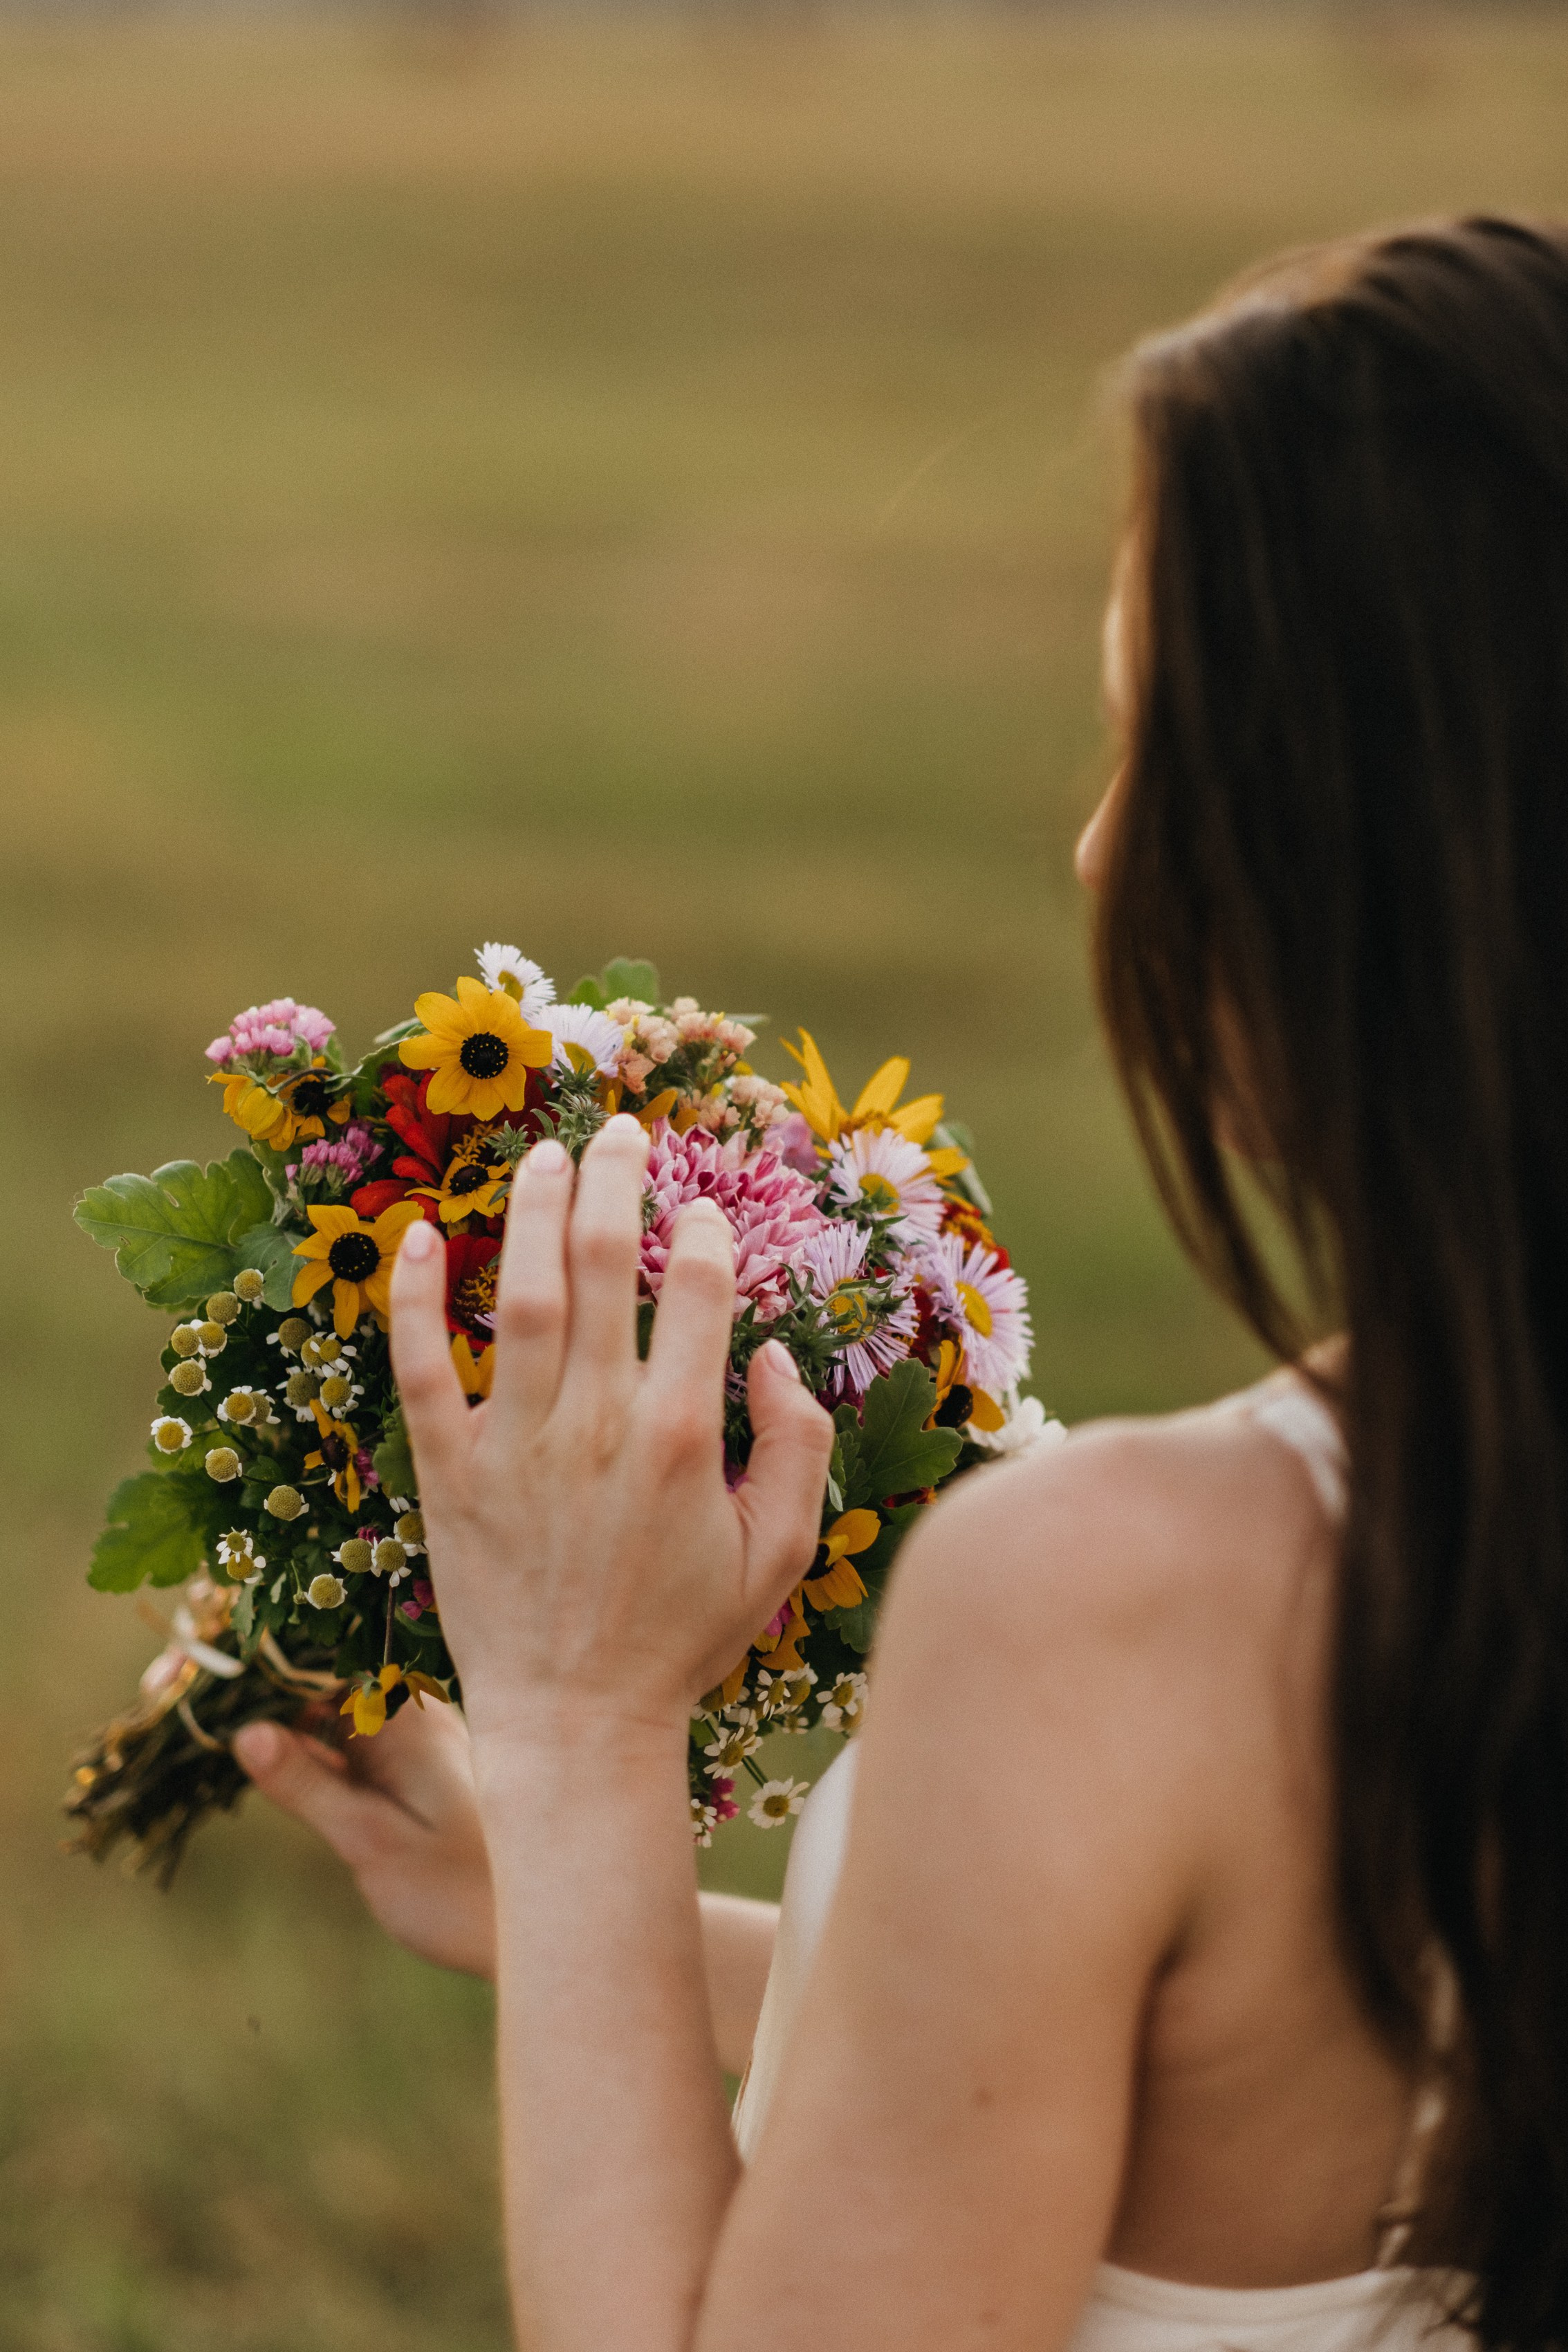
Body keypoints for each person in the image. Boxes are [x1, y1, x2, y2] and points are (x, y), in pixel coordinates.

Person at [234, 215, 1568, 2352]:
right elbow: (1196, 2104)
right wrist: (588, 1925)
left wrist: (581, 1733)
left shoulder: (1129, 1609)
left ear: (1382, 850)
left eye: (1157, 743)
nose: (1096, 847)